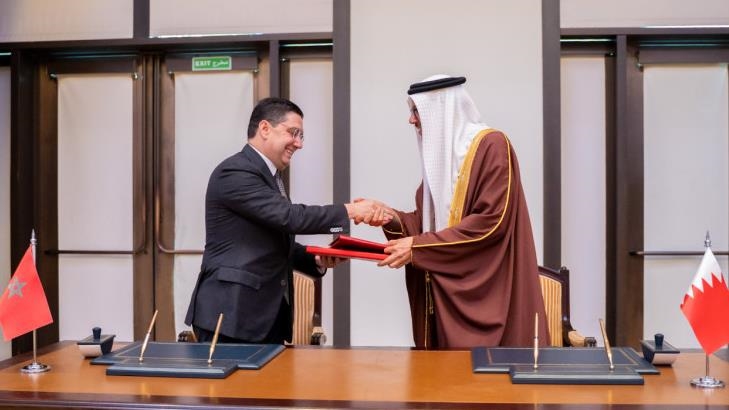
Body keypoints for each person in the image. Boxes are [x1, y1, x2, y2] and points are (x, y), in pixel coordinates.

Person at [185, 97, 387, 344]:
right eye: (293, 133)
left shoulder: (270, 177)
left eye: (301, 136)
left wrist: (315, 259)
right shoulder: (236, 172)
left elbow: (273, 242)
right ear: (265, 128)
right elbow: (290, 217)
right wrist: (351, 211)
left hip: (261, 317)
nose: (299, 144)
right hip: (230, 315)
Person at [373, 75, 549, 349]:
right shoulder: (441, 161)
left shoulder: (493, 146)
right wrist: (389, 216)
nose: (412, 120)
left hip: (490, 290)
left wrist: (418, 248)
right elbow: (428, 225)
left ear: (440, 108)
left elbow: (491, 223)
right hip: (446, 295)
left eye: (417, 110)